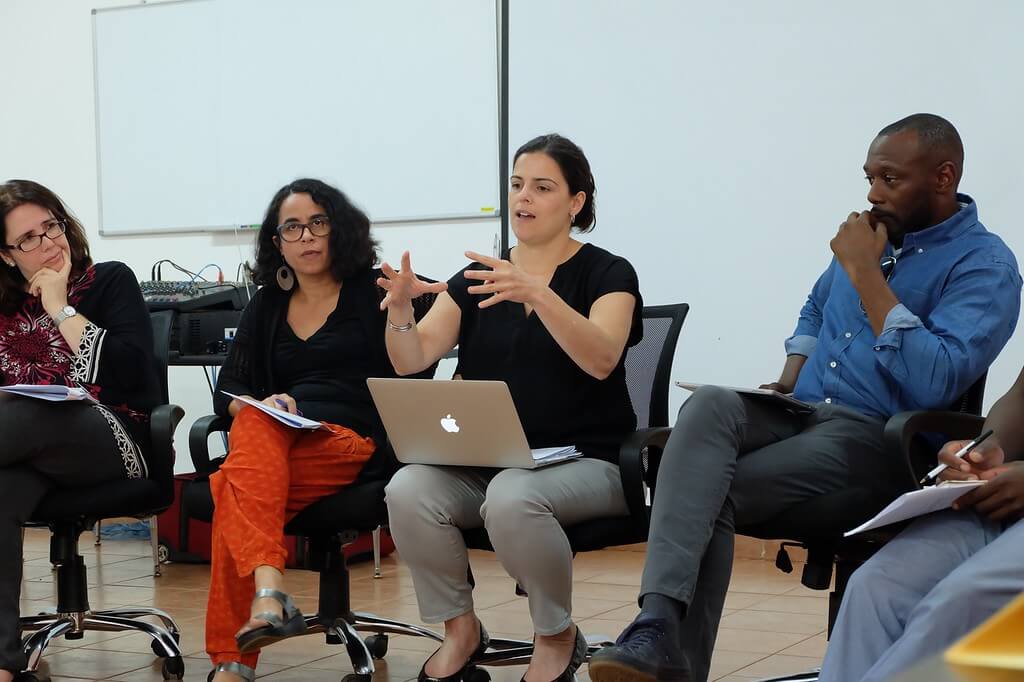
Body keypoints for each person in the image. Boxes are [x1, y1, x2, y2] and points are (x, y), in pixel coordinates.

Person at [588, 113, 1022, 682]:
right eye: (869, 177)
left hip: (881, 440)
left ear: (943, 177)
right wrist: (791, 373)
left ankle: (664, 647)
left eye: (890, 179)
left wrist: (868, 273)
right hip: (806, 411)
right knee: (711, 403)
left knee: (701, 490)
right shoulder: (872, 235)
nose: (872, 193)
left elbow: (936, 379)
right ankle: (658, 626)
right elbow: (816, 308)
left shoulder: (985, 266)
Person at [381, 133, 643, 682]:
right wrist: (400, 311)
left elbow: (601, 358)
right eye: (517, 185)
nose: (523, 198)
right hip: (493, 461)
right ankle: (461, 630)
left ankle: (555, 635)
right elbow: (412, 359)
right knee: (407, 489)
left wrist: (538, 294)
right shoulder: (478, 277)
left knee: (512, 497)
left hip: (589, 461)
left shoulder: (609, 274)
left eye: (542, 187)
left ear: (576, 202)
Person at [205, 179, 436, 682]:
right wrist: (262, 406)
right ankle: (262, 605)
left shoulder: (373, 289)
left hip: (355, 441)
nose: (307, 236)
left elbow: (416, 370)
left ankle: (236, 657)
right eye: (292, 227)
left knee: (232, 486)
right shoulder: (267, 304)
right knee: (248, 453)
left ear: (339, 229)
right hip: (282, 442)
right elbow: (228, 392)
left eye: (318, 223)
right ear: (276, 242)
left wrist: (410, 306)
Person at [0, 179, 161, 682]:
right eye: (28, 238)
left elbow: (135, 374)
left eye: (51, 226)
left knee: (39, 410)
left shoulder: (109, 280)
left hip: (113, 441)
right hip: (25, 455)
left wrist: (60, 308)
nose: (48, 242)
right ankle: (5, 661)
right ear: (6, 256)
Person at [818, 366, 1024, 681]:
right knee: (877, 588)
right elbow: (1021, 397)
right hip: (1005, 495)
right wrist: (982, 452)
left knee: (966, 598)